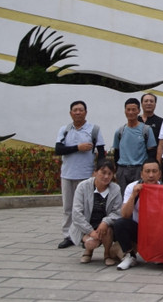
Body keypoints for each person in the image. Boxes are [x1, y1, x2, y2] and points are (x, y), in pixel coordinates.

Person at [55, 100, 105, 249]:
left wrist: (99, 171)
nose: (78, 112)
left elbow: (101, 152)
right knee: (68, 207)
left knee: (86, 208)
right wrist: (78, 147)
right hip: (67, 174)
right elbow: (58, 150)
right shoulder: (64, 130)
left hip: (86, 175)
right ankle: (68, 236)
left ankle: (86, 234)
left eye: (81, 110)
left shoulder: (94, 130)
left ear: (86, 112)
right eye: (75, 110)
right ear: (70, 113)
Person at [112, 159, 162, 270]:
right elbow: (125, 214)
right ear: (141, 174)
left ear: (159, 174)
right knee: (120, 223)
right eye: (147, 171)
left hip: (157, 231)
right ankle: (129, 255)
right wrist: (134, 195)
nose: (151, 175)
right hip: (139, 229)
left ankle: (157, 252)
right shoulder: (132, 187)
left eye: (154, 171)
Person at [70, 159, 122, 265]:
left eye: (110, 173)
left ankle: (107, 254)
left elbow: (117, 212)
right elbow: (76, 213)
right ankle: (88, 251)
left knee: (107, 229)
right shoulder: (83, 186)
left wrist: (105, 222)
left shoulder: (116, 189)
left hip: (103, 226)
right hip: (86, 224)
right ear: (95, 172)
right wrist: (90, 231)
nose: (106, 176)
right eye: (103, 172)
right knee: (91, 243)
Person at [113, 97, 157, 194]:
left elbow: (151, 152)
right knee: (123, 197)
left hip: (139, 169)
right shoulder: (120, 131)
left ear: (138, 111)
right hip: (122, 169)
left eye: (133, 109)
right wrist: (117, 170)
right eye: (128, 109)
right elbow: (116, 152)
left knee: (140, 196)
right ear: (125, 111)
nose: (131, 112)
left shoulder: (146, 130)